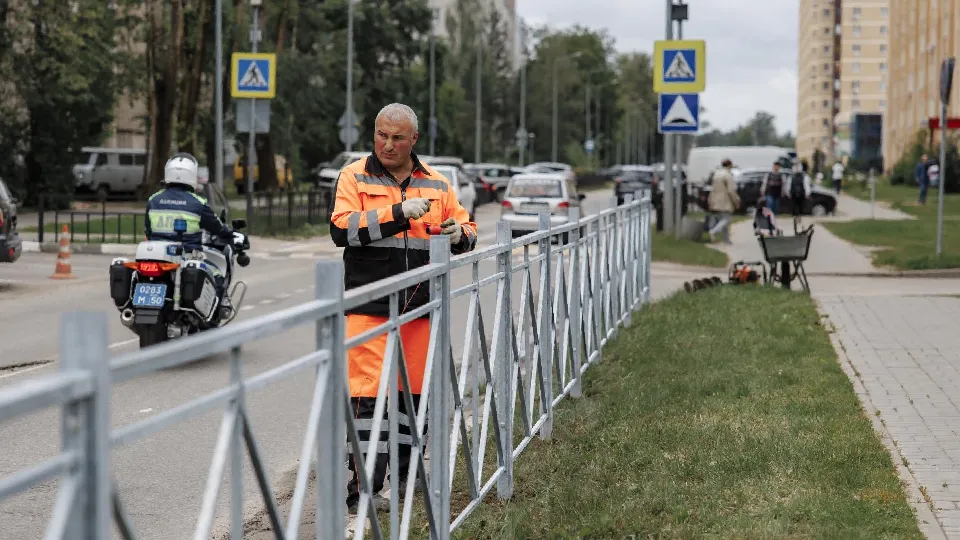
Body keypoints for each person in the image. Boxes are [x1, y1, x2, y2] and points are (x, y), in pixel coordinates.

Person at [330, 102, 478, 513]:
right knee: (367, 400)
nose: (388, 144)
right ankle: (363, 492)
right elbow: (341, 229)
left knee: (412, 400)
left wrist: (457, 234)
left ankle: (407, 484)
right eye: (381, 135)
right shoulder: (354, 176)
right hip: (368, 305)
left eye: (397, 138)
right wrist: (397, 213)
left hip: (420, 308)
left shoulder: (437, 183)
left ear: (414, 140)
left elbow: (468, 231)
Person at [144, 153, 245, 314]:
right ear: (192, 175)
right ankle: (214, 315)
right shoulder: (197, 203)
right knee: (217, 276)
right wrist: (233, 235)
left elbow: (148, 232)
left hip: (156, 257)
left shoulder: (153, 200)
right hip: (188, 256)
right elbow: (218, 228)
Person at [707, 158, 739, 244]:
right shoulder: (728, 175)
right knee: (727, 219)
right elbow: (731, 190)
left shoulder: (716, 174)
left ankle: (726, 239)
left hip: (716, 199)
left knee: (722, 219)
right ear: (730, 165)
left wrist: (710, 200)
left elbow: (712, 188)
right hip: (725, 200)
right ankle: (714, 231)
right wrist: (736, 201)